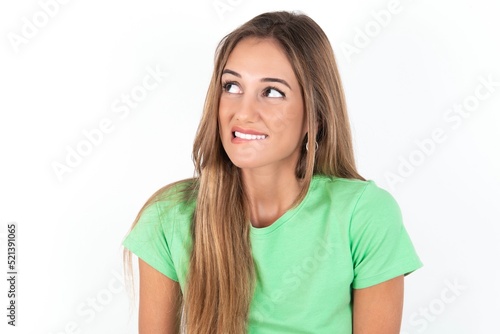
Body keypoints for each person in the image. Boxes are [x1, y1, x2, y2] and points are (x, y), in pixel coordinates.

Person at [122, 10, 422, 334]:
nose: (244, 112)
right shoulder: (169, 218)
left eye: (272, 92)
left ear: (315, 117)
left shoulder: (363, 216)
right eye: (232, 86)